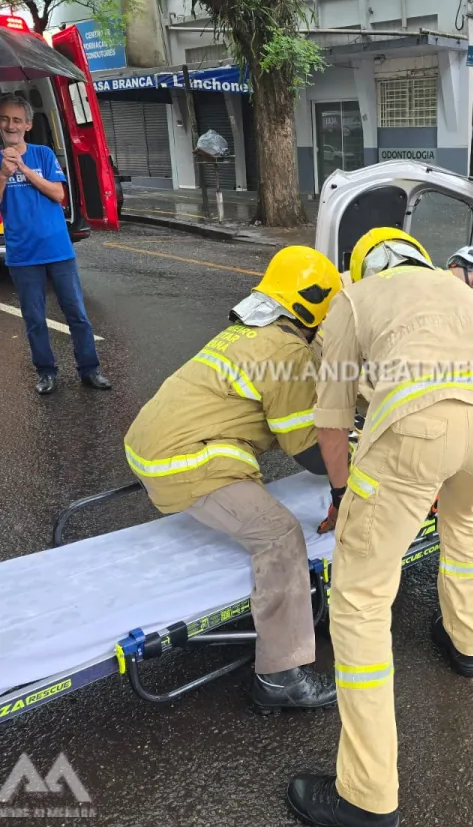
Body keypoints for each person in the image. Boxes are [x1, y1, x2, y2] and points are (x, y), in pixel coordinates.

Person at [286, 227, 473, 827]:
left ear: (362, 266)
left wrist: (345, 495)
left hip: (421, 425)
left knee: (361, 597)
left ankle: (365, 796)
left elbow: (333, 417)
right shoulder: (459, 292)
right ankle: (467, 643)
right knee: (464, 516)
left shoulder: (355, 298)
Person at [123, 246, 342, 712]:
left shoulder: (249, 332)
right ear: (317, 306)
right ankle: (280, 677)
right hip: (182, 464)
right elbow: (309, 453)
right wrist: (355, 457)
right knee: (280, 536)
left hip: (148, 446)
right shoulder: (287, 349)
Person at [0, 94, 111, 395]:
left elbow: (59, 194)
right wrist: (4, 174)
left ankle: (90, 369)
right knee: (34, 319)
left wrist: (23, 169)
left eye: (17, 119)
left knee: (76, 313)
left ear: (28, 124)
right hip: (22, 255)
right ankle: (46, 372)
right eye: (5, 118)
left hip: (57, 250)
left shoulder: (43, 154)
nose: (11, 125)